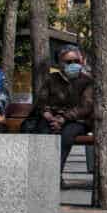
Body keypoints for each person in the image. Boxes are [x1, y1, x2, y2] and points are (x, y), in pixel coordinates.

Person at [22, 45, 95, 176]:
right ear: (60, 63)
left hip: (78, 121)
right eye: (68, 62)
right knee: (43, 131)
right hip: (52, 118)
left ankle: (55, 176)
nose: (73, 64)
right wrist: (47, 114)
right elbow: (41, 100)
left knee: (66, 135)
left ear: (81, 61)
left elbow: (86, 106)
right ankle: (39, 174)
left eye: (76, 61)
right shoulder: (51, 79)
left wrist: (64, 118)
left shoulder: (87, 81)